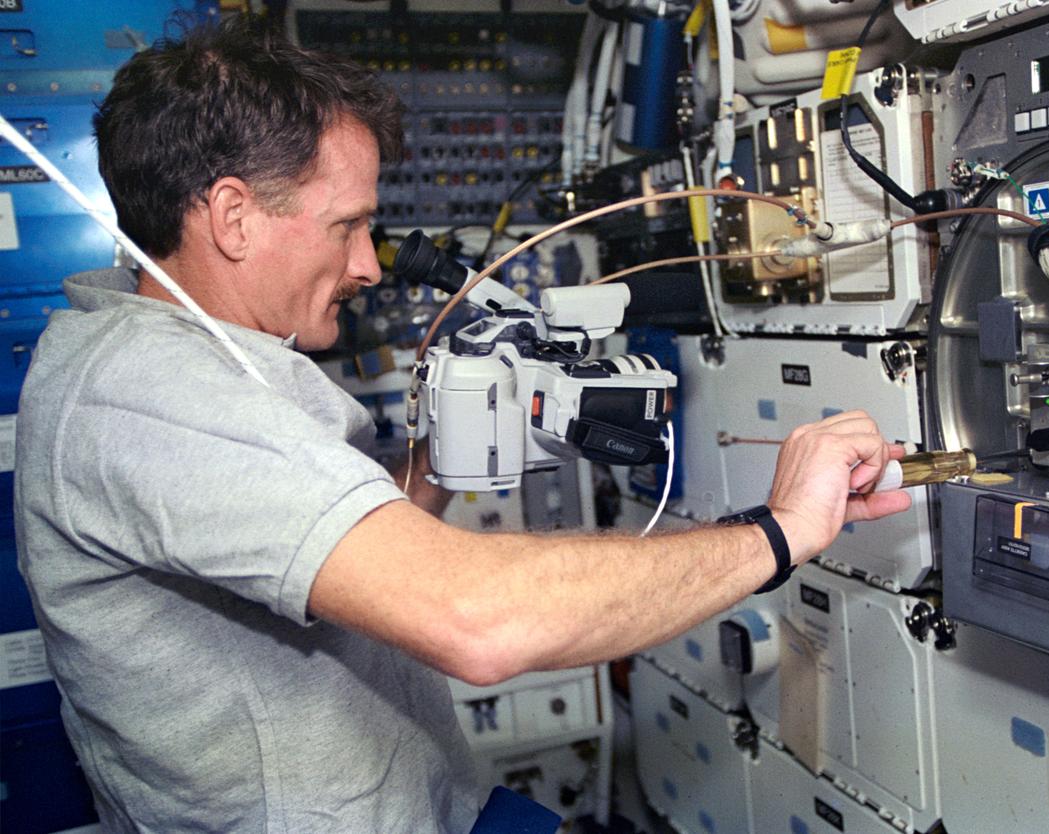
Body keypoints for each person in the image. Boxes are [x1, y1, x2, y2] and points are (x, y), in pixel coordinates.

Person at [15, 15, 910, 834]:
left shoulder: (196, 363)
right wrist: (780, 530)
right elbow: (477, 624)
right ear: (234, 216)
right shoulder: (149, 394)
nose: (368, 264)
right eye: (348, 226)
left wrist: (439, 459)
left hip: (429, 803)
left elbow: (324, 562)